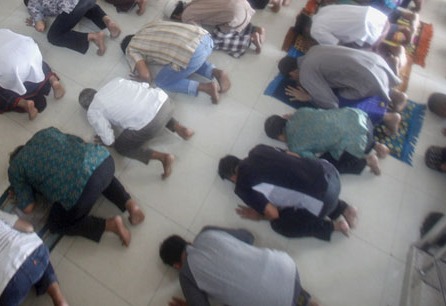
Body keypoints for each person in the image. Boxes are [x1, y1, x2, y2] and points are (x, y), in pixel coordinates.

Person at [8, 127, 144, 245]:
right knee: (93, 168)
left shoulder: (15, 168)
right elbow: (79, 141)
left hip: (81, 193)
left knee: (55, 224)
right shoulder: (44, 133)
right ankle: (131, 206)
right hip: (105, 160)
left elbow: (28, 207)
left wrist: (19, 194)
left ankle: (111, 225)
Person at [218, 144, 357, 241]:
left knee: (279, 224)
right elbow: (293, 155)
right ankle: (344, 208)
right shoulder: (258, 149)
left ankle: (334, 226)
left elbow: (273, 213)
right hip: (331, 173)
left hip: (324, 200)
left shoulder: (242, 185)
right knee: (308, 187)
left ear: (232, 178)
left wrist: (260, 216)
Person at [158, 228, 320, 306]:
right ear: (189, 242)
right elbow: (248, 236)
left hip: (272, 299)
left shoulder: (186, 275)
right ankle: (303, 300)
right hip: (285, 266)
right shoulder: (206, 232)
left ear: (177, 265)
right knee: (291, 293)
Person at [79, 78, 194, 178]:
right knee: (150, 104)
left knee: (121, 147)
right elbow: (146, 86)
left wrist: (107, 141)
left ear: (86, 108)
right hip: (165, 102)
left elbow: (110, 141)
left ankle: (163, 158)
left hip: (151, 125)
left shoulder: (93, 110)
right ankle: (182, 129)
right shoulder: (115, 81)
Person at [278, 45, 406, 134]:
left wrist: (309, 97)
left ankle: (387, 117)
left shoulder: (305, 73)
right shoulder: (313, 50)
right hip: (374, 61)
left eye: (294, 78)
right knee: (351, 77)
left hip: (369, 80)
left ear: (293, 73)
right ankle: (396, 95)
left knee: (341, 102)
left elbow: (330, 102)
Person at [121, 21, 231, 102]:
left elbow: (146, 76)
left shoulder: (130, 49)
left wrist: (141, 79)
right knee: (186, 56)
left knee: (161, 81)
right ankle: (216, 72)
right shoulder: (147, 26)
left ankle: (205, 87)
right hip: (205, 37)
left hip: (192, 54)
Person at [0, 28, 64, 117]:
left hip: (11, 68)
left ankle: (24, 103)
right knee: (36, 63)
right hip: (30, 49)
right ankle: (54, 81)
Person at [265, 107, 388, 175]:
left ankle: (367, 162)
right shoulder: (300, 112)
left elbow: (315, 162)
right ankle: (376, 145)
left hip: (359, 144)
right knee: (343, 127)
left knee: (329, 166)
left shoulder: (294, 146)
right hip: (362, 118)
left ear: (279, 137)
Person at [24, 0, 121, 54]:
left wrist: (34, 22)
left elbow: (41, 27)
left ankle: (94, 36)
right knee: (84, 5)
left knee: (53, 36)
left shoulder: (31, 4)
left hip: (73, 3)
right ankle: (108, 21)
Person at [166, 0, 265, 56]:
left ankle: (250, 39)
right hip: (242, 2)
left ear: (176, 15)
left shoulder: (186, 16)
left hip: (236, 16)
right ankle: (254, 29)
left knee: (213, 42)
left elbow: (200, 33)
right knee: (227, 18)